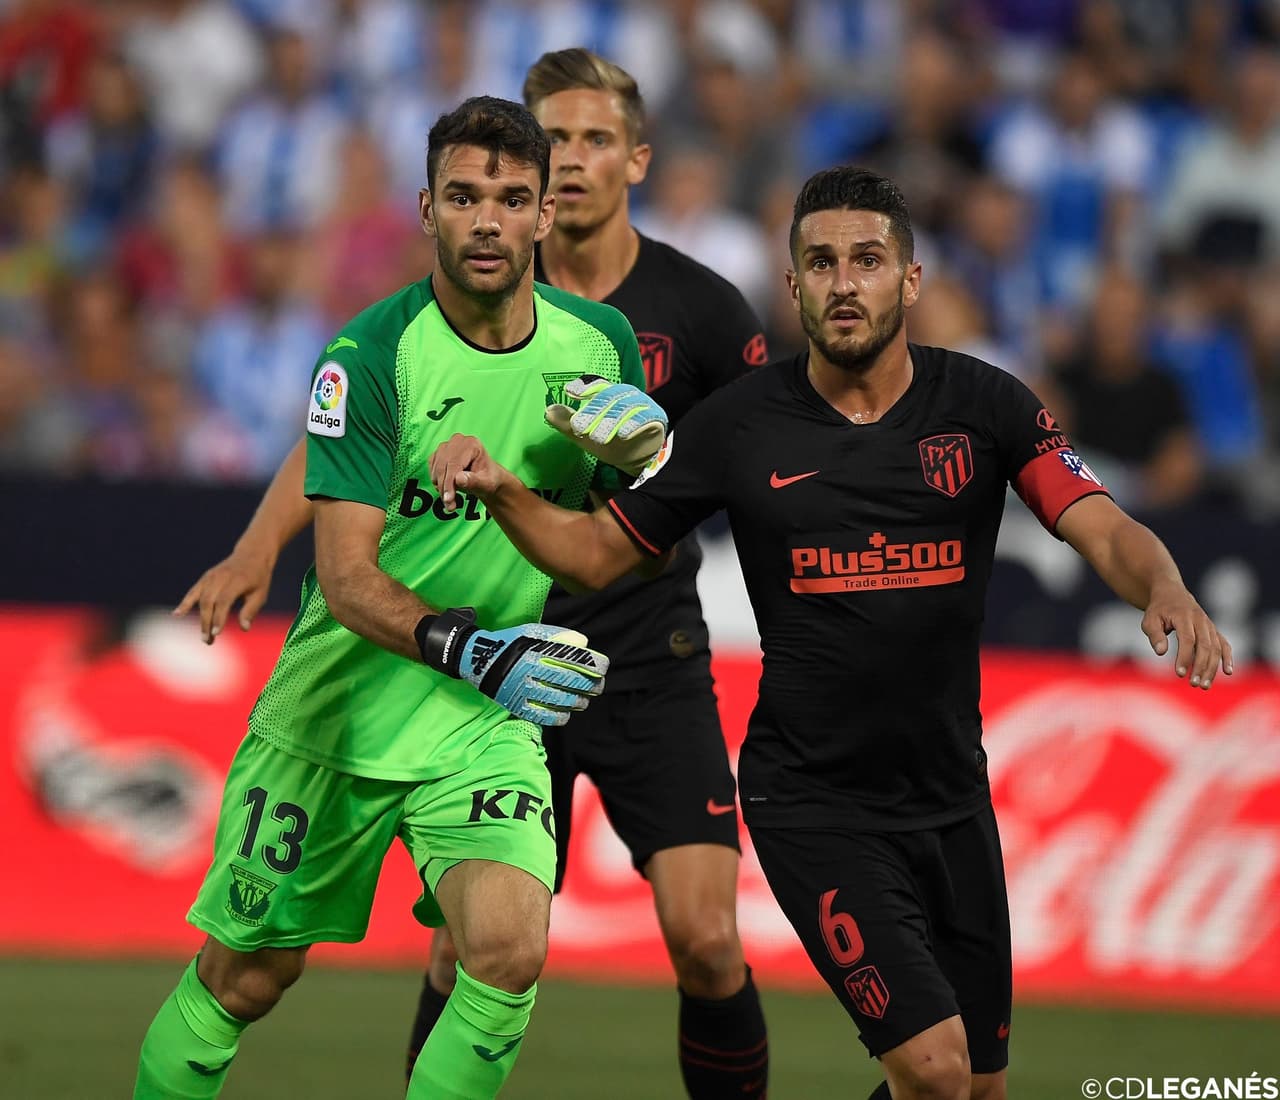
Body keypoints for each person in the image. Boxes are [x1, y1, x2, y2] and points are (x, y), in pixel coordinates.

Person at [427, 166, 1234, 1100]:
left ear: (911, 280)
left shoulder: (988, 405)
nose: (844, 282)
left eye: (867, 260)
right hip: (814, 804)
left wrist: (1163, 584)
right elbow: (597, 555)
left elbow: (1101, 523)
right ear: (793, 284)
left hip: (952, 799)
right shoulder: (738, 425)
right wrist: (503, 488)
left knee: (977, 1090)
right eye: (821, 263)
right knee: (934, 1070)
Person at [177, 48, 772, 1098]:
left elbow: (752, 468)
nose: (570, 160)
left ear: (629, 161)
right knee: (455, 947)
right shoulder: (409, 330)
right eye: (555, 138)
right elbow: (346, 445)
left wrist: (650, 459)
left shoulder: (693, 313)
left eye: (593, 139)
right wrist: (259, 545)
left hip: (641, 644)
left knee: (702, 936)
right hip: (481, 648)